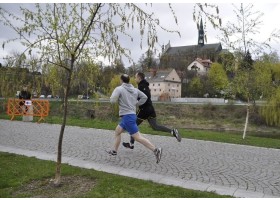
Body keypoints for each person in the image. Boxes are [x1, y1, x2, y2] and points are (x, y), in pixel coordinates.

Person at [108, 74, 163, 164]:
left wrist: (115, 98)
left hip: (127, 117)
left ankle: (156, 150)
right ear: (128, 80)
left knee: (137, 137)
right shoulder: (135, 90)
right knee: (118, 131)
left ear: (121, 80)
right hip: (131, 115)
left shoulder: (119, 89)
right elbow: (144, 97)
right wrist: (136, 104)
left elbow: (112, 100)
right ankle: (114, 151)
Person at [122, 72, 181, 150]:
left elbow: (145, 97)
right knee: (155, 126)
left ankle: (131, 144)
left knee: (132, 125)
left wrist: (135, 103)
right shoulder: (144, 86)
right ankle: (172, 131)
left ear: (139, 78)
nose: (135, 79)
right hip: (150, 109)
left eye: (136, 77)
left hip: (144, 110)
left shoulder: (142, 86)